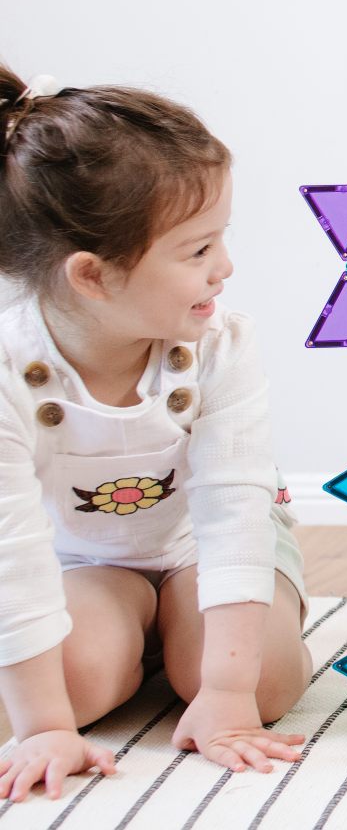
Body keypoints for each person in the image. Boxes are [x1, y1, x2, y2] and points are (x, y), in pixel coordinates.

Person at [0, 68, 311, 802]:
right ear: (93, 276)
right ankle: (142, 643)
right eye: (197, 250)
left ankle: (183, 647)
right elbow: (10, 553)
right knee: (58, 688)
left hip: (204, 550)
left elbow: (235, 512)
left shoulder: (220, 346)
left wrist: (228, 692)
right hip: (85, 563)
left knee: (257, 680)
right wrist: (42, 724)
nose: (225, 267)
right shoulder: (10, 372)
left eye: (221, 240)